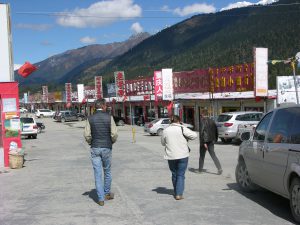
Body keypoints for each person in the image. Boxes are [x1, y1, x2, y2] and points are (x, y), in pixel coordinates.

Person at [84, 99, 118, 206]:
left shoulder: (90, 118)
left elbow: (87, 135)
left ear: (95, 107)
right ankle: (107, 193)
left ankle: (101, 199)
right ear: (103, 106)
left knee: (97, 174)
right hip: (107, 147)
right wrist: (111, 142)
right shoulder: (109, 117)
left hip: (95, 147)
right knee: (107, 171)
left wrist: (91, 142)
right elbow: (114, 134)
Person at [161, 115, 197, 200]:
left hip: (171, 156)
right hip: (183, 155)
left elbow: (163, 143)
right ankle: (179, 194)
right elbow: (194, 135)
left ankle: (176, 191)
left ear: (171, 121)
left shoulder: (166, 130)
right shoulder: (182, 128)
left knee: (174, 174)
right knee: (180, 174)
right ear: (179, 121)